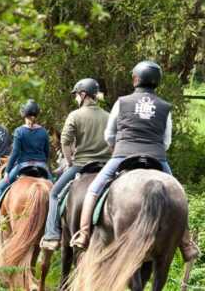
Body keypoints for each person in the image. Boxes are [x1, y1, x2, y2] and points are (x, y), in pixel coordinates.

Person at [71, 61, 200, 262]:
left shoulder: (122, 102)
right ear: (157, 82)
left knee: (93, 189)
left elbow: (109, 134)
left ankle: (84, 234)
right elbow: (166, 141)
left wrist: (116, 147)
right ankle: (186, 243)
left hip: (124, 154)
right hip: (156, 156)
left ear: (135, 79)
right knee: (179, 194)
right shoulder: (165, 107)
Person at [40, 78, 111, 251]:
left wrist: (70, 161)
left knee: (55, 193)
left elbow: (65, 141)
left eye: (77, 95)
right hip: (105, 167)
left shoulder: (75, 115)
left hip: (81, 165)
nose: (76, 99)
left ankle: (52, 235)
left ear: (83, 94)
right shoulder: (108, 116)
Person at [0, 99, 51, 228]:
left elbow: (14, 154)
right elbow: (47, 152)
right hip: (41, 166)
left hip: (23, 166)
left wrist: (8, 171)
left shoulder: (19, 131)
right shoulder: (43, 132)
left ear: (23, 114)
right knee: (55, 193)